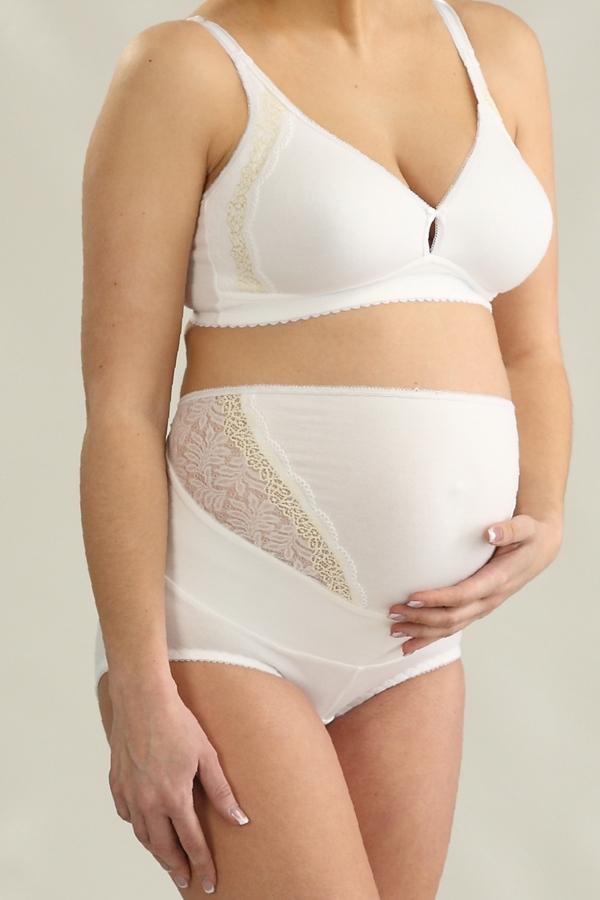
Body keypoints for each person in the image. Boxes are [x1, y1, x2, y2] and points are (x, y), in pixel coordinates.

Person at [79, 1, 571, 896]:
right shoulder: (185, 69)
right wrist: (141, 689)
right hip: (232, 617)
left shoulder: (501, 51)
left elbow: (534, 349)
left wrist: (547, 511)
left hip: (416, 641)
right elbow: (121, 410)